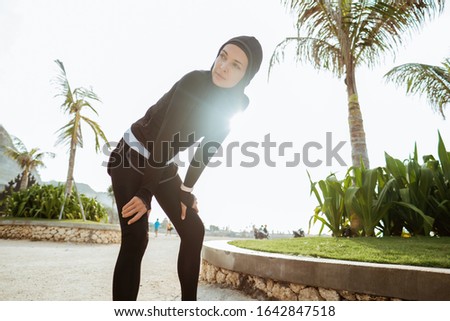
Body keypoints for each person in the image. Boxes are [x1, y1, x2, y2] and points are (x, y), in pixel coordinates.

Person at [107, 35, 263, 301]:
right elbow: (166, 134)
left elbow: (207, 148)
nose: (223, 66)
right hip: (131, 154)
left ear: (246, 76)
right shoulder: (194, 81)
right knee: (136, 240)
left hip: (162, 161)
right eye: (223, 55)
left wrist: (186, 190)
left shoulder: (238, 103)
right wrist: (146, 192)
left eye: (236, 65)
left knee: (194, 230)